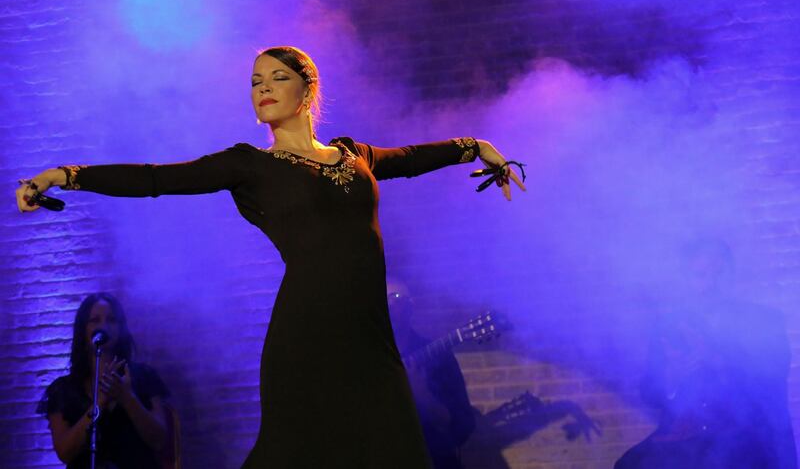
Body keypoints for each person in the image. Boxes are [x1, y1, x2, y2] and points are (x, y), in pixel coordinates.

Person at [17, 46, 525, 468]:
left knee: (397, 453)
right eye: (256, 80)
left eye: (277, 77)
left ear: (308, 90)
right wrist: (63, 175)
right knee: (296, 454)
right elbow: (157, 179)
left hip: (371, 337)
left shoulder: (353, 155)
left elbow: (412, 159)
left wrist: (477, 146)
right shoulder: (250, 165)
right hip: (304, 332)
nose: (262, 87)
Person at [615, 239, 797, 469]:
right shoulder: (670, 326)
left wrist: (718, 361)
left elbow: (773, 378)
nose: (710, 282)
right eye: (700, 274)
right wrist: (670, 379)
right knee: (629, 465)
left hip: (748, 435)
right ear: (687, 280)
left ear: (730, 276)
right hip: (689, 434)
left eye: (717, 272)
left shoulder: (764, 320)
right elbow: (649, 392)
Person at [36, 293, 170, 469]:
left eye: (111, 320)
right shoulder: (62, 390)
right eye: (95, 320)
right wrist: (100, 401)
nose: (103, 326)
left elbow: (159, 439)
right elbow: (65, 452)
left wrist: (128, 398)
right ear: (83, 330)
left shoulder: (143, 377)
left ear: (121, 328)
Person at [387, 287, 476, 469]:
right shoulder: (363, 358)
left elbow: (463, 427)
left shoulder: (440, 355)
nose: (390, 304)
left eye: (396, 297)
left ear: (410, 306)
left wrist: (423, 396)